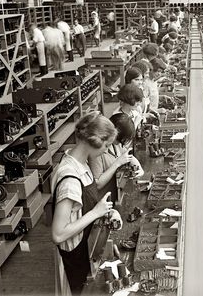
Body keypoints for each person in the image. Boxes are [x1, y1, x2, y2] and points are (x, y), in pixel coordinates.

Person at [52, 111, 123, 295]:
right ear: (96, 141)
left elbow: (82, 206)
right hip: (75, 256)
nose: (107, 150)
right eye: (106, 145)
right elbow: (58, 234)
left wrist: (106, 210)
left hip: (87, 245)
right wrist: (96, 212)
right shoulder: (70, 178)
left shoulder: (80, 163)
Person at [88, 113, 144, 200]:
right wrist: (117, 163)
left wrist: (139, 169)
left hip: (118, 193)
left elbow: (128, 156)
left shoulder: (115, 144)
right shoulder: (97, 151)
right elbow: (98, 184)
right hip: (104, 200)